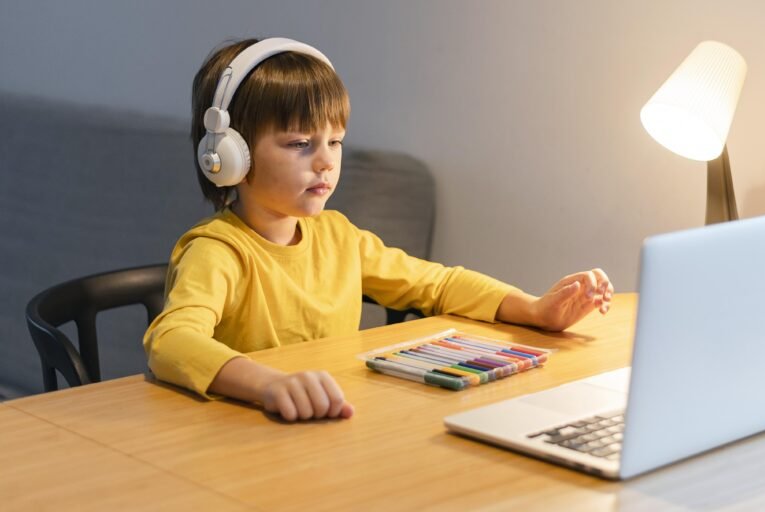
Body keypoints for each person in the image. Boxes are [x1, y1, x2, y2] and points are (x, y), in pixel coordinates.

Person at [144, 38, 613, 422]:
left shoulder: (339, 237)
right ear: (229, 156)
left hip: (326, 425)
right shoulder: (218, 252)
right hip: (240, 437)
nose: (327, 160)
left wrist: (533, 310)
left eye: (335, 142)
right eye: (301, 144)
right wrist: (269, 384)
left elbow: (440, 284)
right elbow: (171, 342)